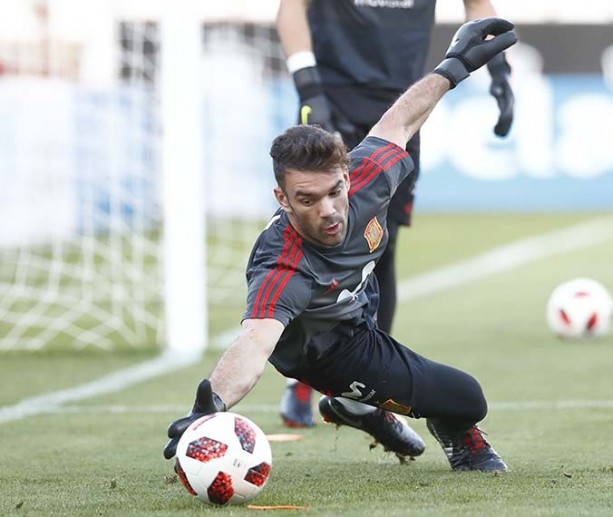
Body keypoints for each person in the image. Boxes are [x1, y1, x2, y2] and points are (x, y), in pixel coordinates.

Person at [163, 18, 517, 473]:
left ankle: (358, 408)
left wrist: (455, 65)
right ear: (283, 201)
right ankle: (442, 427)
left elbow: (400, 120)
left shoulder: (368, 178)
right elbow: (254, 345)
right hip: (331, 352)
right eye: (307, 200)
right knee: (467, 397)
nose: (328, 210)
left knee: (381, 289)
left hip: (357, 308)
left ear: (347, 176)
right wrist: (210, 405)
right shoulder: (281, 265)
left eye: (334, 191)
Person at [275, 0, 515, 428]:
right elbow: (290, 10)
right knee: (317, 241)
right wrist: (309, 89)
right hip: (333, 98)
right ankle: (303, 376)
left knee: (379, 245)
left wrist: (500, 71)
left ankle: (362, 393)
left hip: (405, 104)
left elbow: (478, 6)